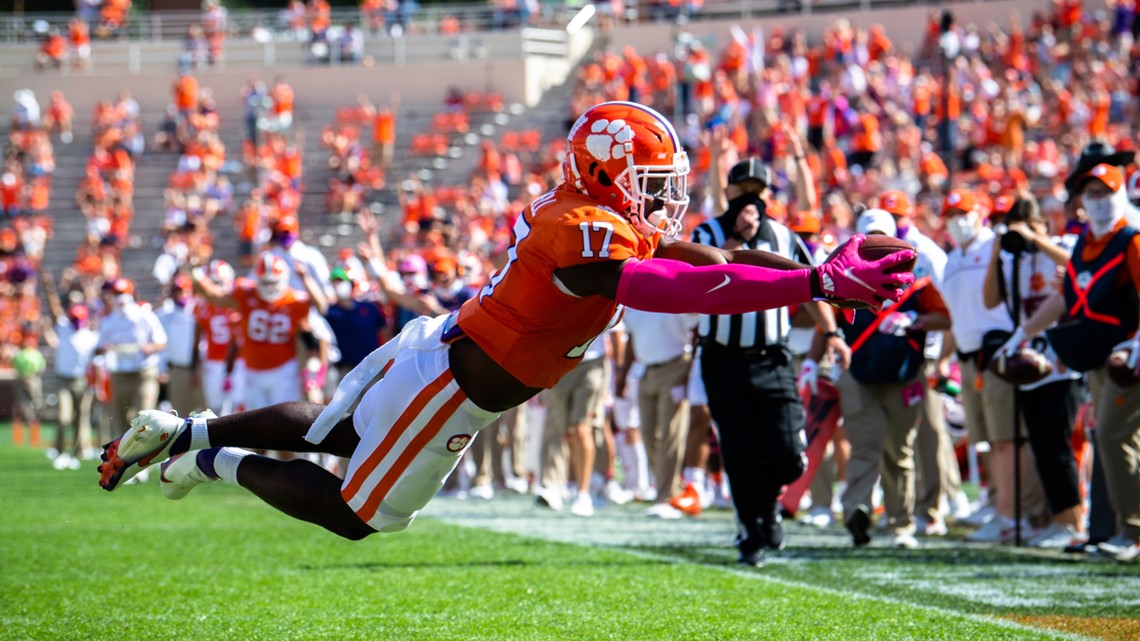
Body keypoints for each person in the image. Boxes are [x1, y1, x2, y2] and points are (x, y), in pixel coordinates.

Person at [98, 101, 912, 547]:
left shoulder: (591, 210)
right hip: (454, 386)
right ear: (608, 173)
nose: (665, 195)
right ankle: (208, 460)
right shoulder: (582, 232)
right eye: (652, 178)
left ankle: (183, 429)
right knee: (359, 513)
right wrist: (810, 279)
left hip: (442, 349)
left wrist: (815, 270)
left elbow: (697, 256)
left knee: (334, 430)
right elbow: (677, 287)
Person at [691, 154, 852, 566]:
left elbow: (809, 284)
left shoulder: (783, 236)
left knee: (786, 452)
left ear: (768, 196)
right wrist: (735, 244)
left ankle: (765, 506)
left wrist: (831, 332)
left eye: (756, 192)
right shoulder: (707, 232)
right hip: (723, 359)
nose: (749, 200)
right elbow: (696, 283)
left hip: (773, 357)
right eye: (741, 191)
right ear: (727, 194)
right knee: (741, 452)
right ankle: (752, 532)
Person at [1009, 164, 1140, 562]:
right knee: (1110, 438)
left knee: (1115, 437)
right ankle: (1121, 528)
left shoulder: (1130, 241)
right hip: (1099, 355)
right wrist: (1024, 332)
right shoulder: (1084, 243)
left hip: (1127, 356)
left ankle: (1132, 529)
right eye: (1091, 193)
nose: (1097, 200)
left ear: (1120, 196)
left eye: (1105, 192)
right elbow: (1066, 297)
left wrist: (1137, 343)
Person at [837, 209, 951, 549]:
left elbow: (944, 319)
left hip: (904, 373)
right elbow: (825, 322)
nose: (875, 246)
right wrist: (818, 360)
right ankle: (857, 508)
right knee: (864, 446)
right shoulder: (840, 274)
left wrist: (914, 318)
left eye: (881, 238)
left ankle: (901, 523)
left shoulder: (916, 278)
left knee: (898, 451)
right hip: (859, 374)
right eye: (869, 238)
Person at [983, 195, 1084, 548]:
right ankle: (1057, 519)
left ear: (1045, 224)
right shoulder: (1013, 260)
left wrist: (1037, 239)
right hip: (1027, 362)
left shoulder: (1062, 246)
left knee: (1057, 444)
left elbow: (1078, 269)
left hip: (1060, 362)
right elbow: (991, 300)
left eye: (1033, 225)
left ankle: (1071, 520)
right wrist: (999, 251)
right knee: (1041, 445)